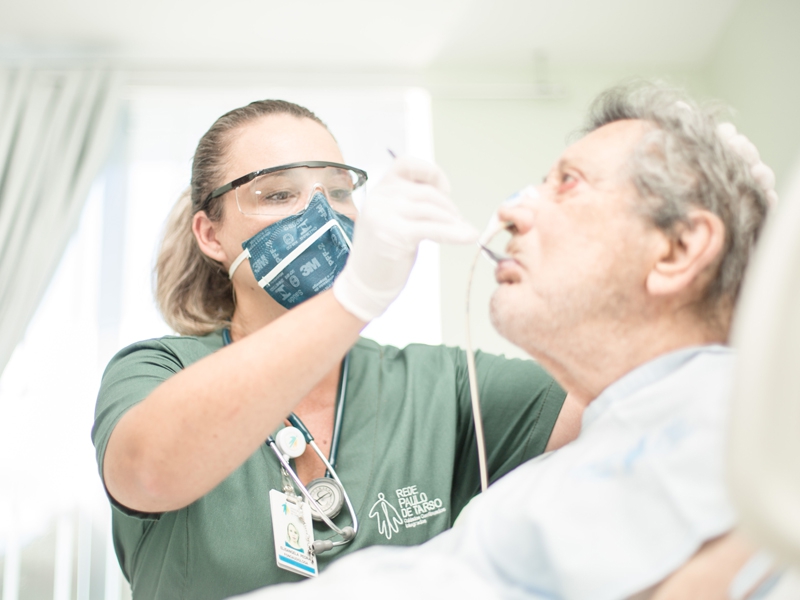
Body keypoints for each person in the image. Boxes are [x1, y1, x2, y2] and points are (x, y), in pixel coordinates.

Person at [235, 82, 776, 599]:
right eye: (278, 193)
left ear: (679, 249)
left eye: (568, 183)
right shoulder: (528, 505)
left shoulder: (765, 427)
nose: (511, 212)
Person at [91, 100, 576, 599]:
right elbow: (147, 473)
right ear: (211, 235)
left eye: (340, 191)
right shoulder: (156, 370)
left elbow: (628, 398)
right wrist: (355, 299)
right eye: (279, 193)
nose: (321, 212)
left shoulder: (441, 385)